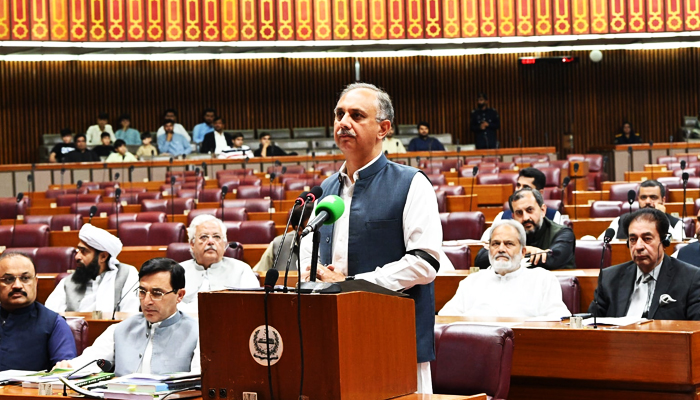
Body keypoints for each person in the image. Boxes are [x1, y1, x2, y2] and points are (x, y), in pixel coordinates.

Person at [300, 83, 442, 394]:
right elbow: (307, 248)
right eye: (339, 114)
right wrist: (314, 274)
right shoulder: (325, 188)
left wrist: (351, 284)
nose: (343, 122)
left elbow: (426, 262)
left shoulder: (411, 183)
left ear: (383, 129)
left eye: (356, 115)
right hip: (332, 332)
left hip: (393, 337)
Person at [54, 258, 200, 376]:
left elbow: (198, 382)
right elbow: (89, 361)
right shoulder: (119, 329)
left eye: (157, 293)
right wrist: (68, 366)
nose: (147, 301)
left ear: (179, 295)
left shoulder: (198, 334)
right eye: (142, 292)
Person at [439, 220, 570, 318]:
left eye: (509, 244)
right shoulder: (471, 281)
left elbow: (558, 318)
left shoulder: (543, 279)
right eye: (496, 243)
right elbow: (446, 318)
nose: (501, 249)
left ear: (523, 252)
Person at [589, 208, 700, 319]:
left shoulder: (690, 279)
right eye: (633, 239)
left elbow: (696, 328)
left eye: (647, 239)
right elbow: (591, 324)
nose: (638, 247)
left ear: (665, 241)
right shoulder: (609, 278)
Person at [0, 252, 76, 372]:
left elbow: (64, 371)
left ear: (35, 282)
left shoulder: (53, 323)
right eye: (9, 279)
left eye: (25, 278)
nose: (17, 285)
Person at [45, 224, 140, 314]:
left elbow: (130, 316)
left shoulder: (127, 274)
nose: (77, 257)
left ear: (103, 257)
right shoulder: (68, 282)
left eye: (84, 252)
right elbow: (50, 316)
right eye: (78, 250)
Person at [475, 187, 576, 270]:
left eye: (530, 210)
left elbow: (552, 260)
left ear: (543, 210)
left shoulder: (563, 233)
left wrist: (507, 257)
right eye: (519, 213)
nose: (525, 217)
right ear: (513, 216)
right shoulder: (507, 233)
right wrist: (525, 250)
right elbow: (481, 260)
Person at [179, 215, 260, 313]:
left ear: (224, 244)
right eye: (204, 237)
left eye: (216, 237)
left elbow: (253, 305)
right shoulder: (178, 271)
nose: (210, 242)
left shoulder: (242, 270)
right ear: (192, 244)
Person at [479, 168, 562, 241]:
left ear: (540, 193)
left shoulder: (554, 216)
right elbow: (487, 245)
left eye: (526, 187)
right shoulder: (502, 217)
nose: (519, 190)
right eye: (518, 185)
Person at [598, 180, 683, 241]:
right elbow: (601, 243)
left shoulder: (675, 224)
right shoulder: (620, 221)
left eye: (653, 197)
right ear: (638, 199)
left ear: (663, 200)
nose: (648, 202)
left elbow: (677, 245)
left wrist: (662, 218)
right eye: (643, 197)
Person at [254, 203, 312, 272]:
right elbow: (258, 274)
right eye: (311, 226)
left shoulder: (326, 243)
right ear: (299, 229)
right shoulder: (278, 244)